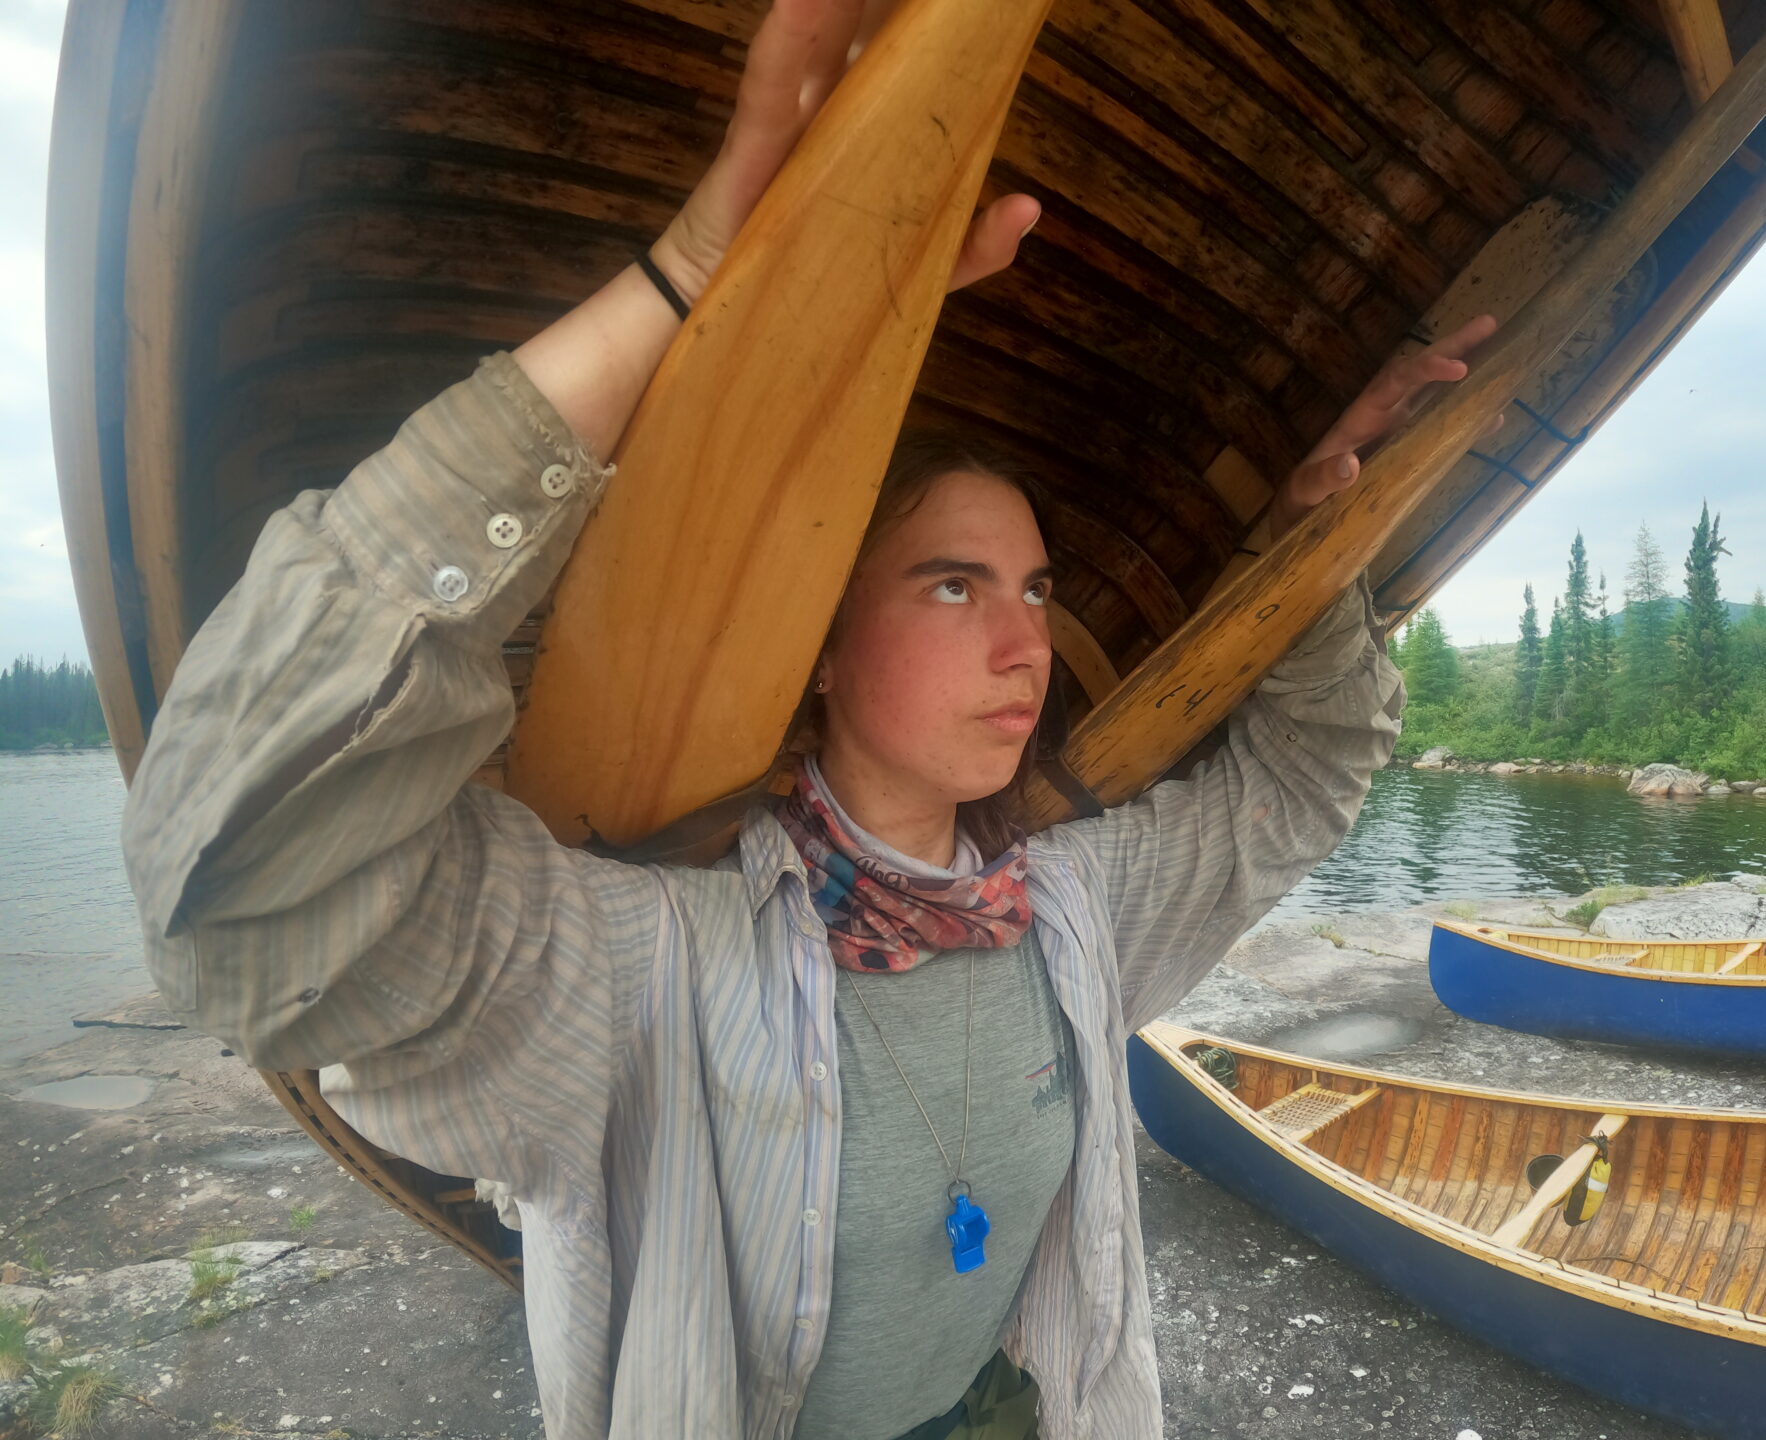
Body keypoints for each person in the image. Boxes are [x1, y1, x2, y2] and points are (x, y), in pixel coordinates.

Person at [120, 1, 1489, 1435]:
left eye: (1034, 588)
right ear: (823, 650)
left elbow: (1303, 777)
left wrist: (1316, 542)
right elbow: (246, 905)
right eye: (955, 588)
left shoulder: (1073, 910)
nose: (1029, 643)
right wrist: (684, 274)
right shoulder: (651, 964)